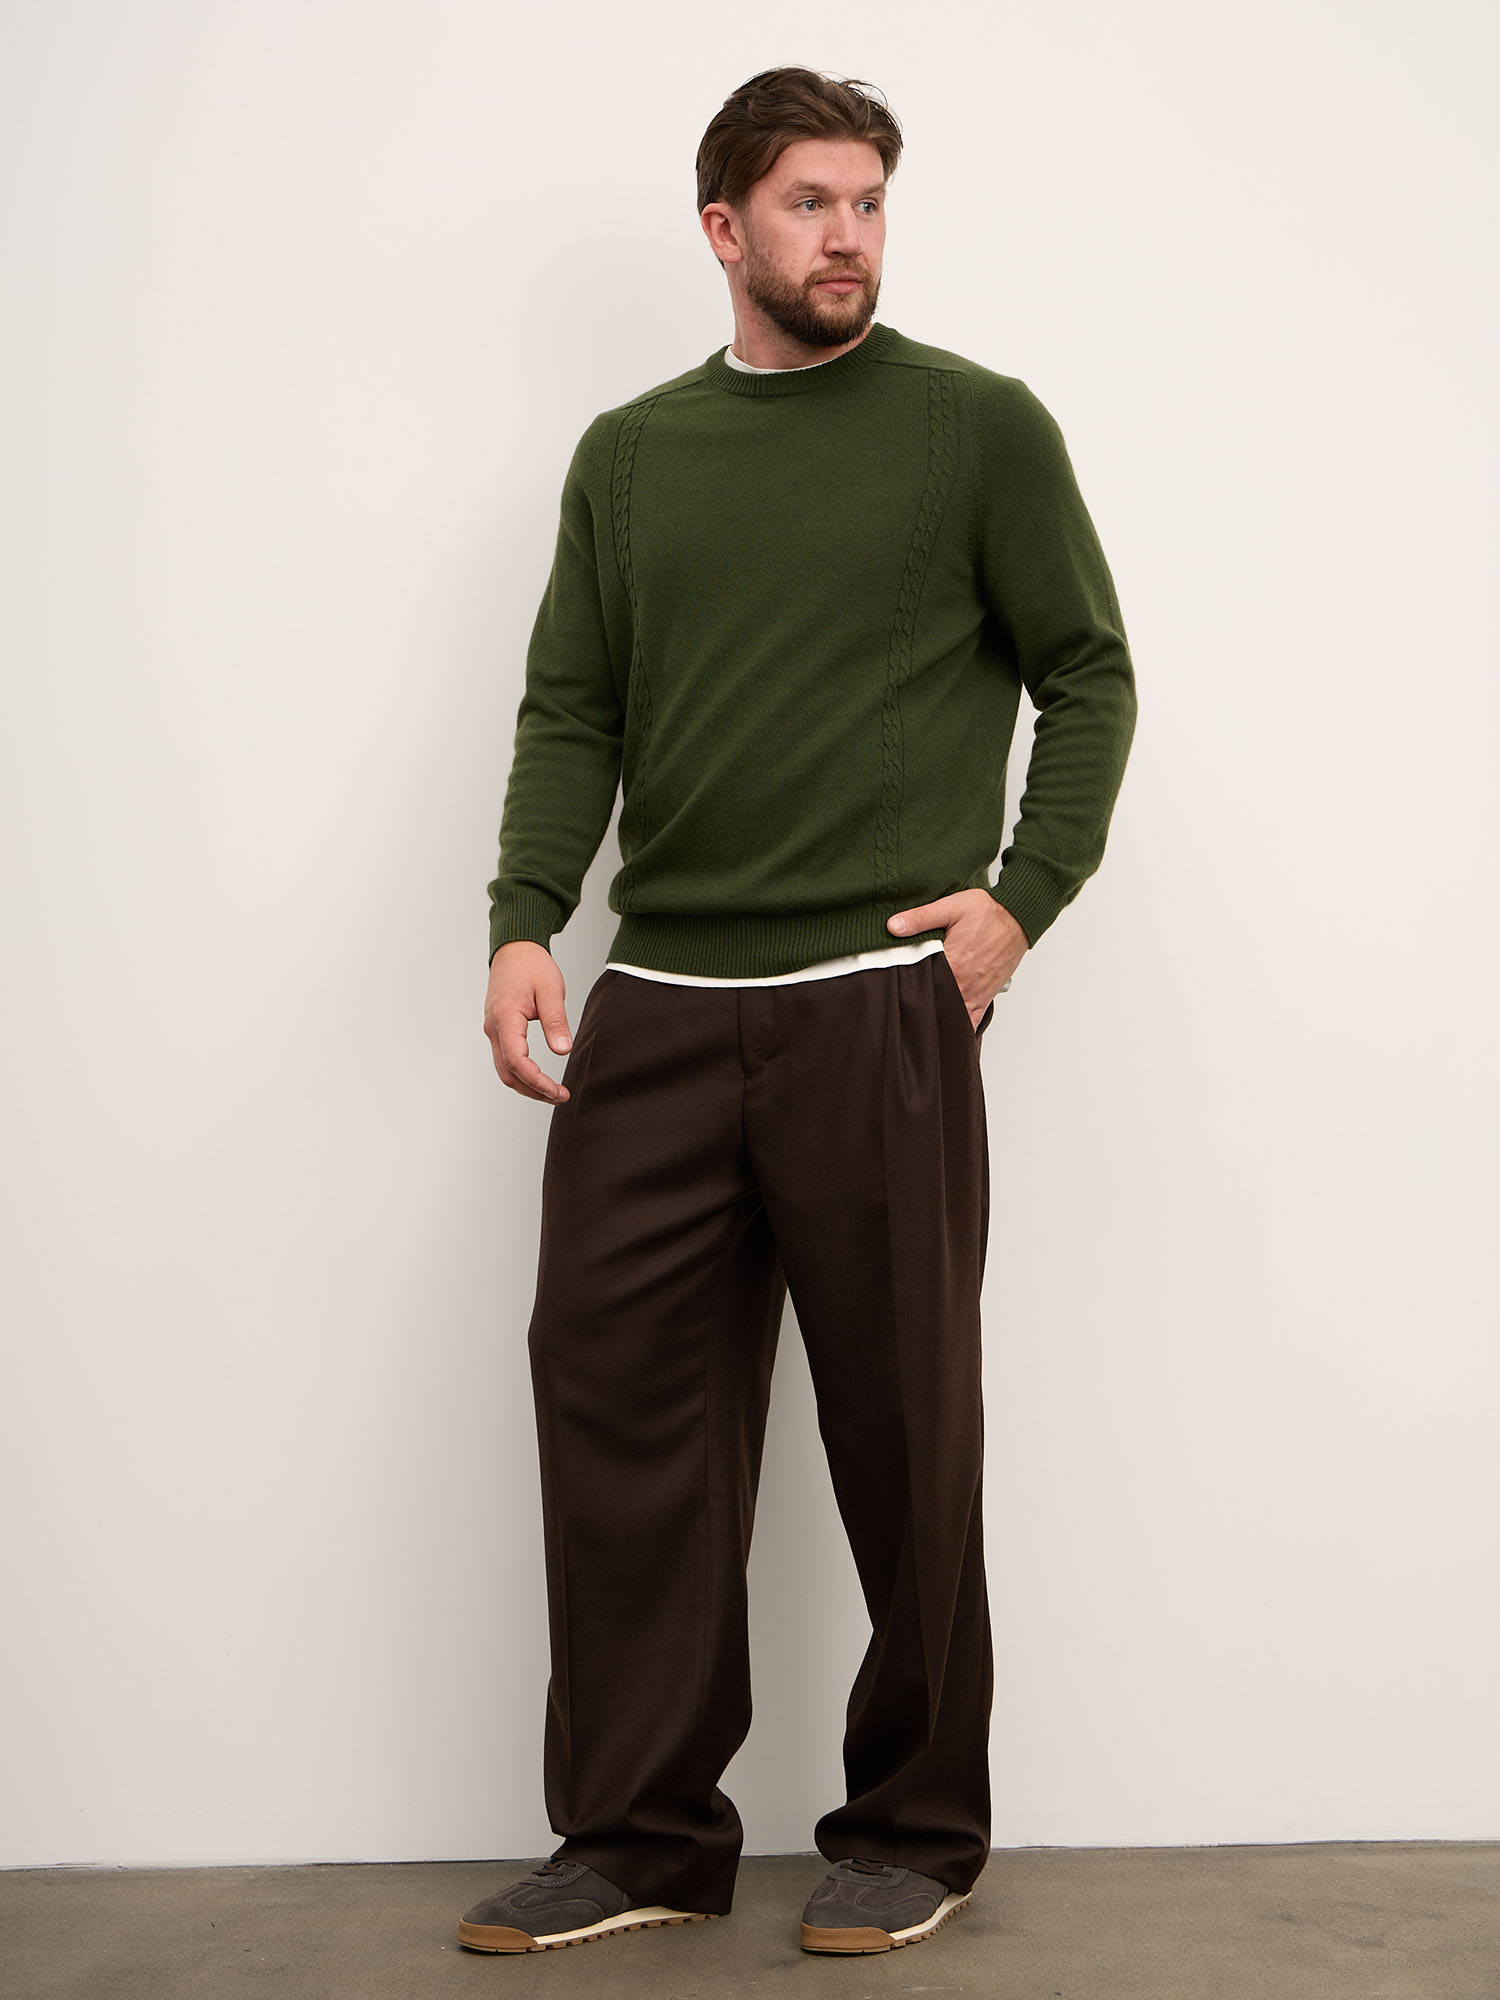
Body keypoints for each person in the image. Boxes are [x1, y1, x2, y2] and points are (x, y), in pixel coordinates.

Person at [462, 65, 1137, 1959]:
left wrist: (1019, 903)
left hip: (873, 1006)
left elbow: (1089, 673)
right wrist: (525, 921)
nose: (849, 237)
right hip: (661, 1007)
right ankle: (638, 1836)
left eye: (869, 202)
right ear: (723, 229)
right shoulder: (630, 455)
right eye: (810, 204)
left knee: (904, 1430)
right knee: (618, 1412)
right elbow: (574, 707)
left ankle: (914, 1831)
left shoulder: (975, 427)